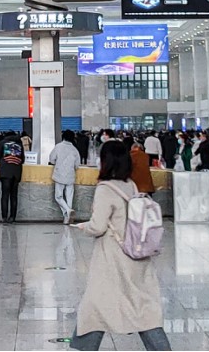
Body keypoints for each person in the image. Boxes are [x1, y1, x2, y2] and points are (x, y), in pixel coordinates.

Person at [69, 141, 170, 351]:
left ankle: (83, 348)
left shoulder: (105, 189)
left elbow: (98, 226)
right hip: (135, 254)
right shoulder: (130, 185)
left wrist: (83, 227)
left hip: (112, 259)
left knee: (94, 305)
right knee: (142, 309)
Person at [48, 130, 81, 224]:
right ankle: (67, 218)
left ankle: (68, 210)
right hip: (70, 176)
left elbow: (52, 159)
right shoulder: (74, 150)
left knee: (58, 197)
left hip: (59, 175)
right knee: (69, 197)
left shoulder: (58, 147)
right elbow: (77, 165)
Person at [0, 133, 24, 223]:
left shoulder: (2, 143)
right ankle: (12, 217)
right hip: (16, 172)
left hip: (5, 172)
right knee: (14, 196)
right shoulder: (19, 144)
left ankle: (4, 217)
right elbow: (23, 159)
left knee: (5, 195)